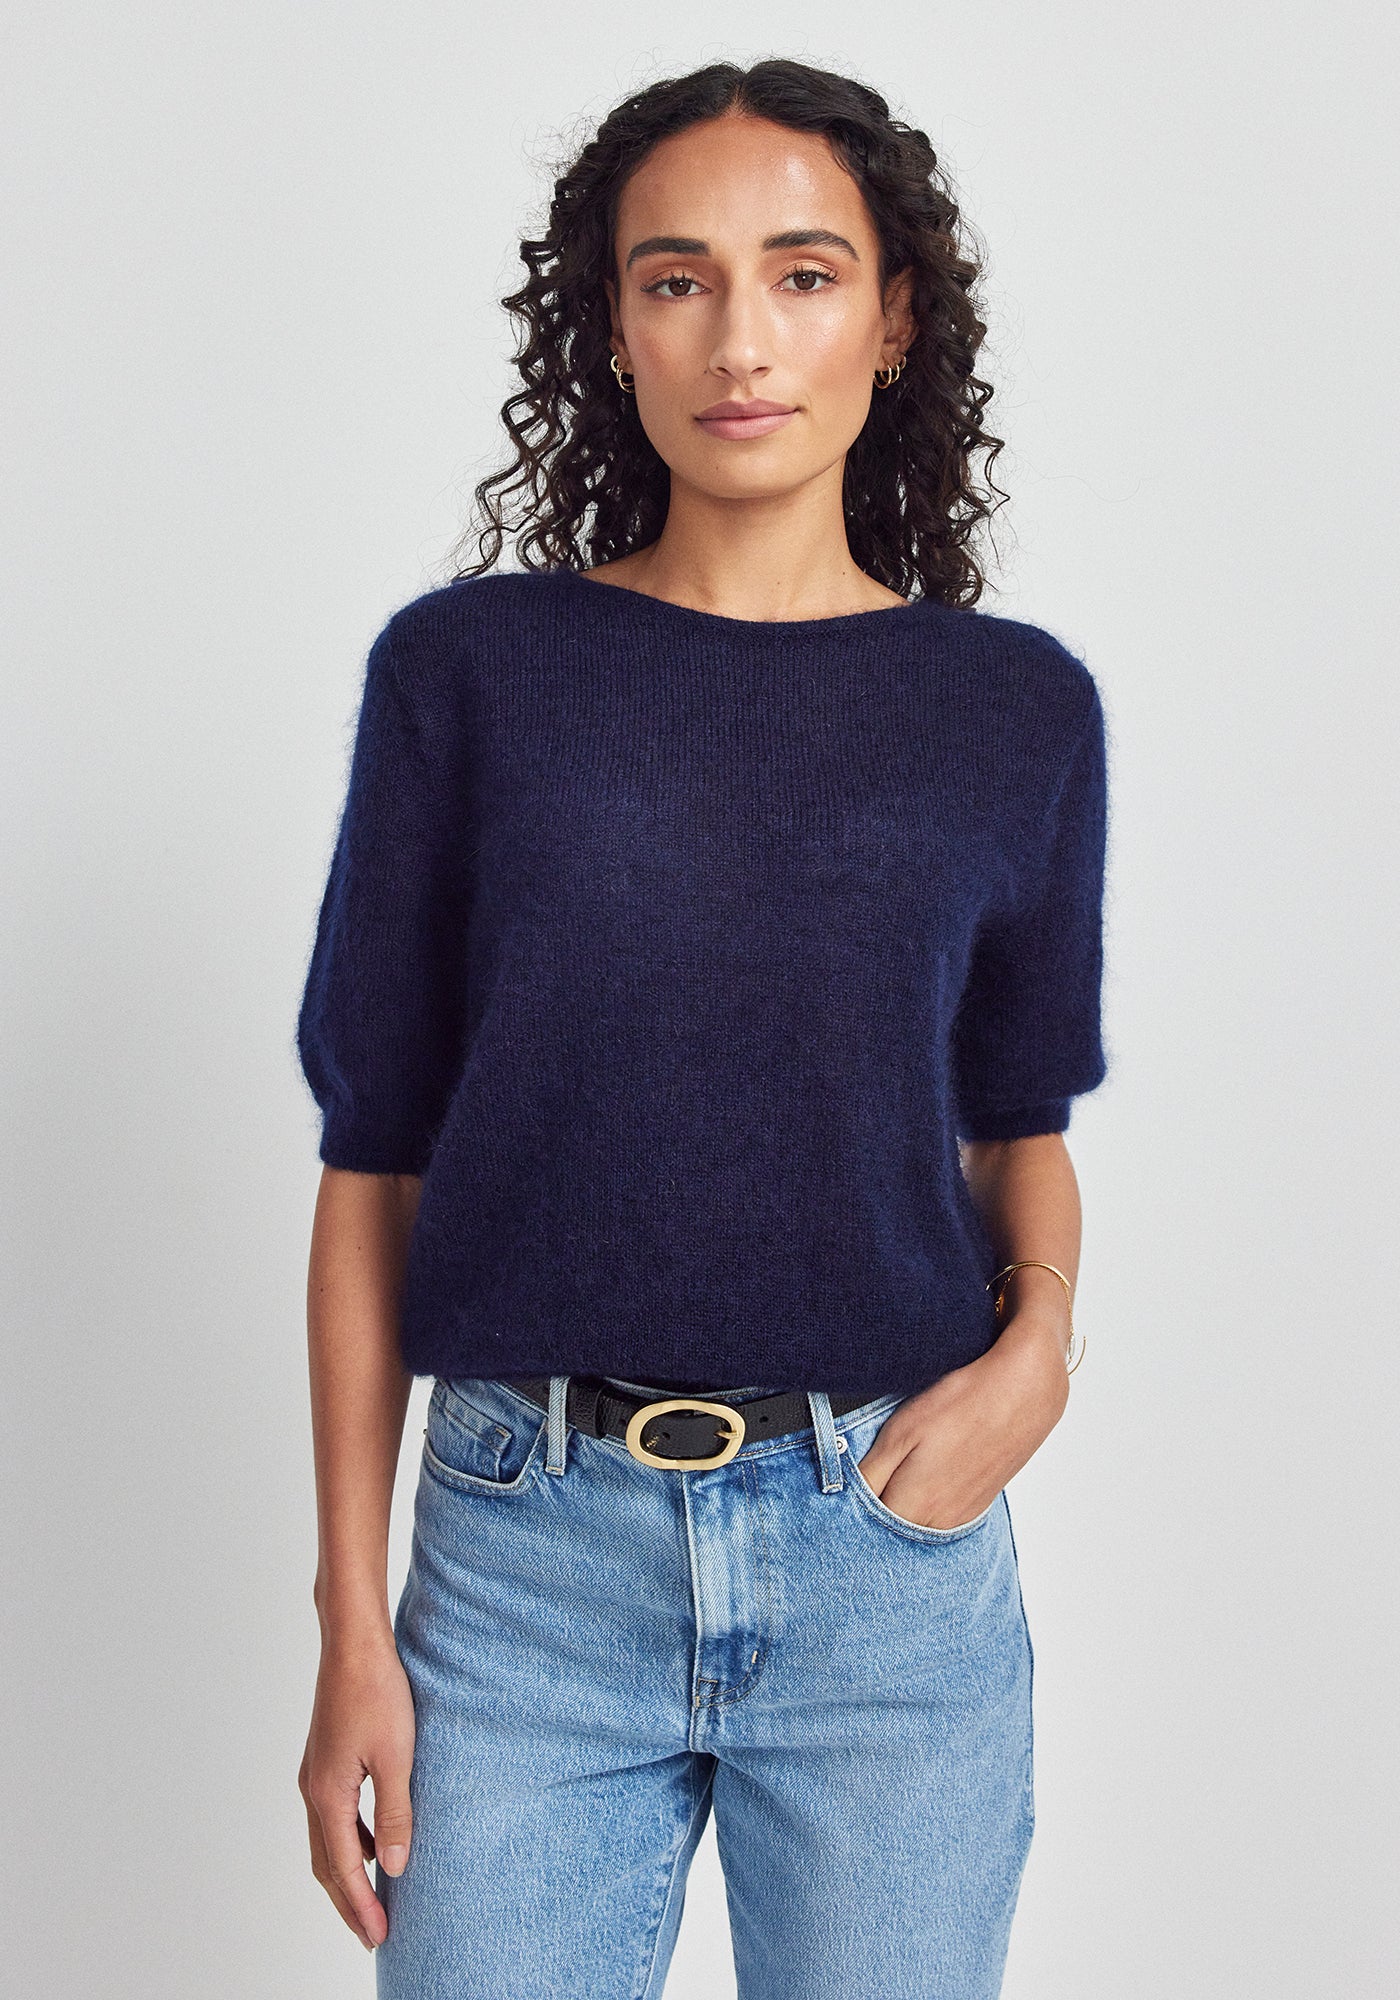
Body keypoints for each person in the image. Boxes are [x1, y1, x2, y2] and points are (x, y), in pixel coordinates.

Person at [294, 56, 1111, 2000]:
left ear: (894, 319)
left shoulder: (1012, 708)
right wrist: (350, 1626)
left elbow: (1016, 1125)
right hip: (524, 1567)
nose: (740, 338)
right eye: (677, 279)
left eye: (803, 274)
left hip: (888, 1560)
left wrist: (1041, 1349)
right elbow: (373, 1162)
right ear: (613, 326)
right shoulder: (470, 676)